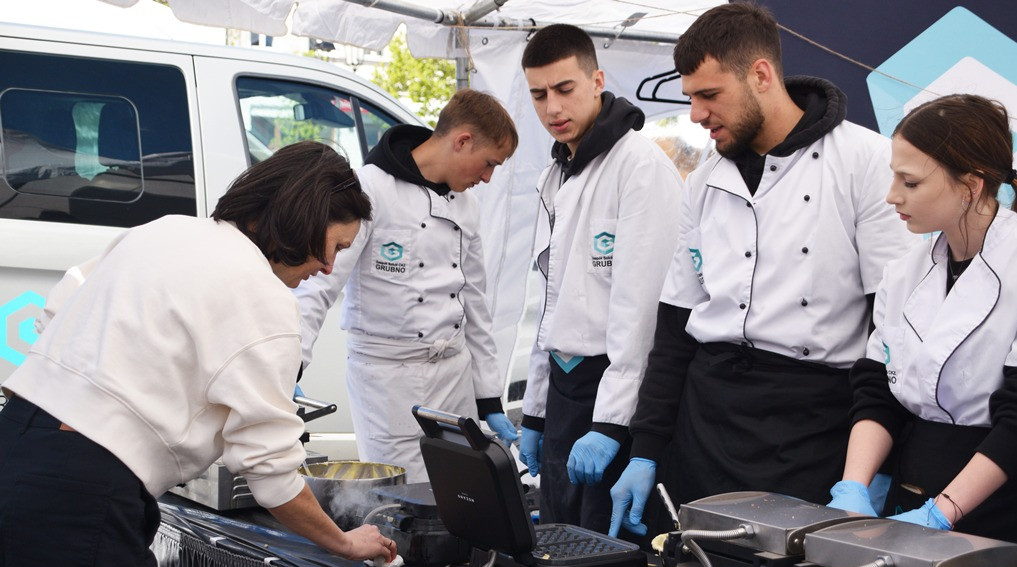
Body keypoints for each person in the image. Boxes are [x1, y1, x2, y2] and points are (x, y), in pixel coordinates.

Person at [0, 141, 396, 567]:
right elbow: (271, 473)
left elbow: (58, 307)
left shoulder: (165, 230)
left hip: (13, 442)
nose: (327, 268)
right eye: (335, 246)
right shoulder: (265, 298)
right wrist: (343, 543)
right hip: (82, 493)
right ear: (303, 216)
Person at [608, 2, 916, 538]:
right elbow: (676, 328)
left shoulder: (866, 162)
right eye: (690, 97)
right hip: (705, 426)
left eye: (709, 94)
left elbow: (890, 330)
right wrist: (646, 448)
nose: (696, 114)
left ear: (761, 75)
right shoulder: (703, 180)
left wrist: (879, 466)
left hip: (813, 429)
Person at [294, 89, 519, 484]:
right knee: (401, 498)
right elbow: (318, 285)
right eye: (488, 164)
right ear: (462, 141)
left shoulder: (468, 206)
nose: (487, 178)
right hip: (387, 382)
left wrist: (488, 397)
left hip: (453, 376)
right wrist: (288, 365)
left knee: (464, 493)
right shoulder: (369, 189)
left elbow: (474, 302)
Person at [827, 94, 1017, 543]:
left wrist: (943, 512)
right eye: (894, 176)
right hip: (911, 487)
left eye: (910, 182)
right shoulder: (903, 272)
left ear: (970, 185)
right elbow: (877, 388)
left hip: (1002, 509)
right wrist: (854, 487)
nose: (892, 195)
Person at [517, 23, 684, 532]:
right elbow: (549, 303)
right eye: (539, 95)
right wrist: (535, 411)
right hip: (564, 386)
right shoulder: (554, 174)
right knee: (557, 536)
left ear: (597, 81)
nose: (552, 108)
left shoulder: (640, 167)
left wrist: (611, 425)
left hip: (614, 386)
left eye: (564, 89)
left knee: (602, 548)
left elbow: (640, 309)